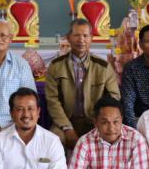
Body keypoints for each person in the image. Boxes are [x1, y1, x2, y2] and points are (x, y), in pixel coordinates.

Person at [45, 18, 120, 150]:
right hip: (66, 121)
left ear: (91, 38)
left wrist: (99, 122)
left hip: (95, 121)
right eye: (76, 35)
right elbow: (52, 101)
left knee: (107, 136)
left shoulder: (103, 67)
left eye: (85, 36)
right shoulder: (56, 66)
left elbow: (114, 97)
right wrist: (67, 127)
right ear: (68, 38)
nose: (81, 40)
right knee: (54, 140)